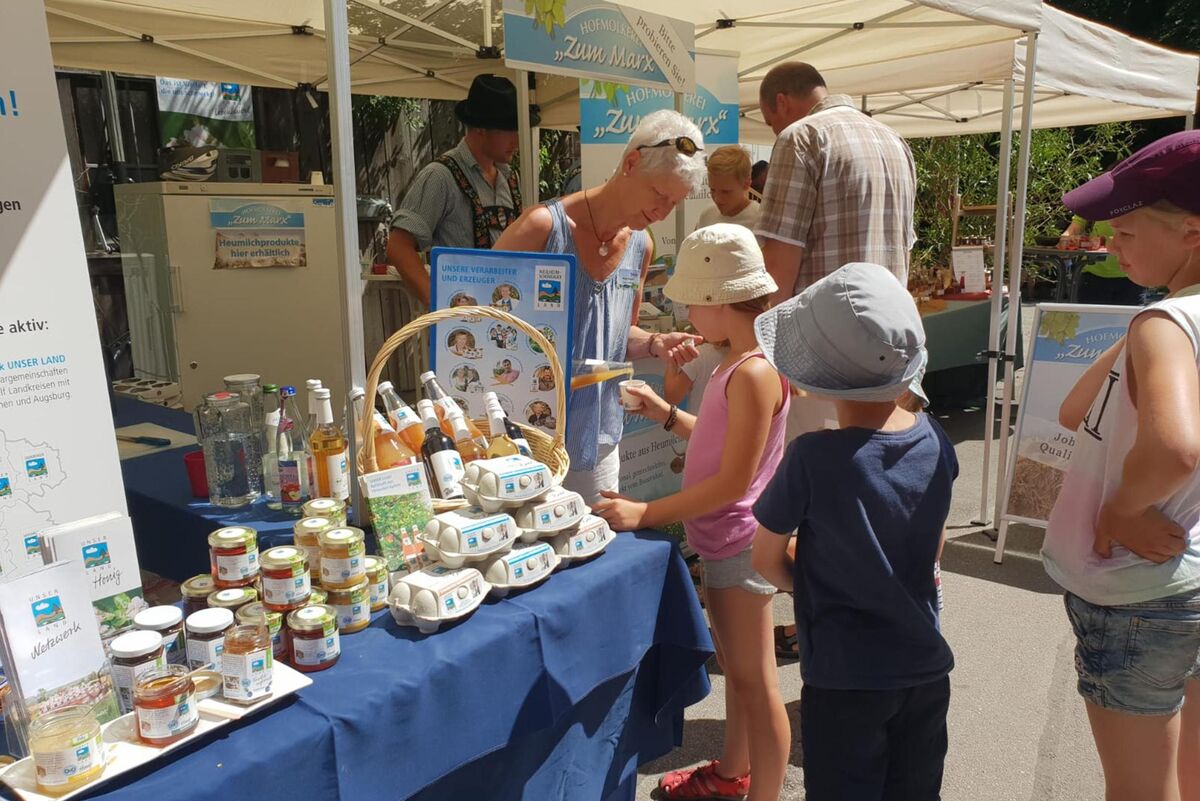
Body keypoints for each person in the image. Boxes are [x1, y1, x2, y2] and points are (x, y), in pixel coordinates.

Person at [594, 224, 791, 801]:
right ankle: (733, 774)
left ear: (718, 301)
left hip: (736, 541)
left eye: (692, 304)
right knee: (739, 670)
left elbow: (732, 481)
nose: (686, 318)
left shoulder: (752, 372)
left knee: (757, 684)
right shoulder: (743, 363)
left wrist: (646, 511)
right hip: (725, 540)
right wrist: (664, 411)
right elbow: (724, 444)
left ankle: (764, 794)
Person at [751, 262, 956, 801]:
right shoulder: (936, 441)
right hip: (924, 665)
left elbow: (765, 558)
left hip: (845, 676)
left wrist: (810, 583)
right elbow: (934, 546)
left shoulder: (812, 458)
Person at [1042, 130, 1200, 801]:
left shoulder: (1167, 326)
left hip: (1136, 591)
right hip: (1187, 576)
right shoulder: (1163, 323)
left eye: (1128, 233)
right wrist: (1144, 327)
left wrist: (1121, 508)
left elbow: (1174, 448)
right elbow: (1078, 409)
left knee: (1137, 789)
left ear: (1192, 230)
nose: (1111, 247)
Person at [494, 109, 706, 503]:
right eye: (660, 195)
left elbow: (618, 333)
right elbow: (483, 324)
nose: (664, 212)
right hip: (525, 443)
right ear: (630, 162)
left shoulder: (641, 245)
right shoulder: (541, 228)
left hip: (600, 443)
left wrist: (655, 343)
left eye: (674, 203)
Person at [386, 75, 537, 307]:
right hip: (462, 323)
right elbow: (398, 247)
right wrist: (439, 305)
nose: (517, 139)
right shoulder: (441, 176)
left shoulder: (510, 179)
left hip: (504, 314)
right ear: (480, 129)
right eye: (509, 129)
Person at [1061, 216, 1144, 306]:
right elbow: (1076, 224)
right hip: (1093, 275)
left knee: (1129, 319)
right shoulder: (1093, 203)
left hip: (1133, 277)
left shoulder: (1141, 203)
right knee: (1090, 318)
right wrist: (1066, 238)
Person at [695, 146, 761, 231]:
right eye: (712, 190)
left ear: (746, 184)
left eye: (726, 192)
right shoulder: (707, 215)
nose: (717, 199)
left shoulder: (760, 221)